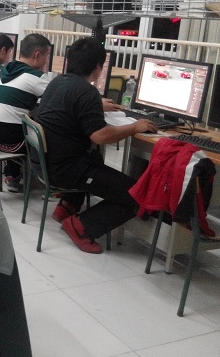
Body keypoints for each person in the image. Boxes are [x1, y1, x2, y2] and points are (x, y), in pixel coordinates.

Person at [35, 37, 157, 254]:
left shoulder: (57, 82)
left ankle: (67, 207)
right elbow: (100, 136)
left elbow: (71, 109)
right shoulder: (86, 91)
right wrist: (134, 127)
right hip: (65, 169)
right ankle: (80, 226)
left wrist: (96, 106)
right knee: (135, 193)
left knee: (95, 158)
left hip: (43, 162)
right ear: (98, 67)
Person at [0, 33, 54, 193]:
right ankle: (52, 185)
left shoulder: (3, 70)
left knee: (17, 120)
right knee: (49, 132)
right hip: (12, 143)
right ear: (37, 55)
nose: (46, 61)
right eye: (47, 56)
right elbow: (62, 99)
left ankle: (12, 175)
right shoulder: (36, 78)